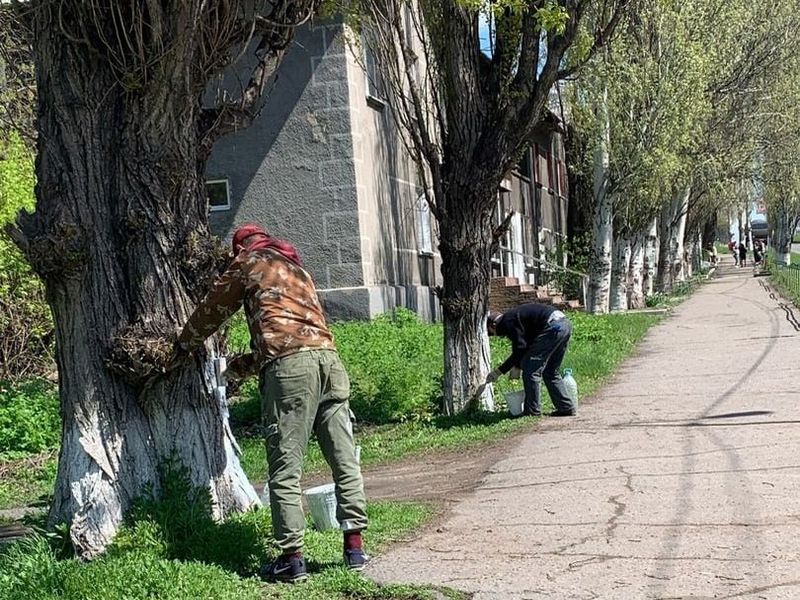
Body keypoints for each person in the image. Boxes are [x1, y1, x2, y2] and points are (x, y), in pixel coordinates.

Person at [175, 223, 368, 583]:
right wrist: (236, 368)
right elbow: (289, 338)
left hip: (291, 369)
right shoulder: (297, 269)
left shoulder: (250, 260)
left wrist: (183, 344)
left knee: (285, 467)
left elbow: (214, 308)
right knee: (343, 457)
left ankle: (292, 559)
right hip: (329, 361)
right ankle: (354, 547)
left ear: (240, 247)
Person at [486, 304, 577, 417]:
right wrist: (517, 366)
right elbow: (525, 345)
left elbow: (520, 348)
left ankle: (532, 411)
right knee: (550, 371)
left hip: (553, 328)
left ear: (493, 325)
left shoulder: (507, 321)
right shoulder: (514, 318)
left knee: (531, 371)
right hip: (564, 324)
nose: (494, 335)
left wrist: (499, 372)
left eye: (491, 332)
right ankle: (566, 407)